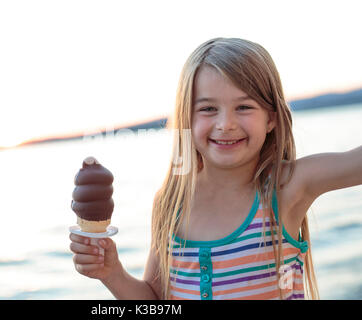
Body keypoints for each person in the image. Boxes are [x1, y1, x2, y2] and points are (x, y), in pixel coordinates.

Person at [69, 37, 362, 300]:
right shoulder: (171, 203)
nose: (226, 124)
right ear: (187, 118)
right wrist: (112, 273)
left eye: (244, 107)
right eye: (208, 109)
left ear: (271, 119)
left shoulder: (287, 187)